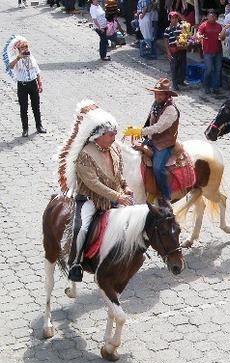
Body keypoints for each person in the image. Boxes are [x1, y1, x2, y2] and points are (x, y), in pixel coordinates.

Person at [58, 101, 133, 282]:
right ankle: (75, 263)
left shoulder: (114, 149)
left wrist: (125, 186)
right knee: (81, 229)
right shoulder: (85, 154)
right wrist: (118, 197)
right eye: (110, 135)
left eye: (114, 134)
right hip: (90, 199)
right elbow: (94, 184)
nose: (114, 138)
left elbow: (119, 172)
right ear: (98, 136)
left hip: (116, 196)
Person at [140, 78, 180, 201]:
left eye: (160, 94)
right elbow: (149, 121)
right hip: (152, 139)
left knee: (158, 168)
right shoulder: (156, 105)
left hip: (164, 144)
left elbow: (159, 127)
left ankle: (166, 197)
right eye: (156, 93)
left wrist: (140, 131)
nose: (157, 96)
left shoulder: (171, 110)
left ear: (167, 95)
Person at [4, 36, 46, 137]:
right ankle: (25, 129)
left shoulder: (31, 57)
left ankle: (39, 126)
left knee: (36, 106)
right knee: (23, 107)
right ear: (18, 49)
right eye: (22, 47)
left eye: (26, 46)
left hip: (33, 83)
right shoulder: (16, 58)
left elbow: (36, 70)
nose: (25, 49)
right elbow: (10, 66)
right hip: (22, 85)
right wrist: (19, 57)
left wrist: (39, 83)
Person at [198, 9, 223, 94]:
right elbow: (199, 33)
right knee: (209, 69)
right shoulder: (204, 25)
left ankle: (215, 87)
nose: (212, 17)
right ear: (207, 17)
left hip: (218, 51)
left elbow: (222, 37)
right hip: (207, 51)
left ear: (216, 18)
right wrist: (200, 36)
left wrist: (223, 36)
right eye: (210, 16)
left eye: (213, 16)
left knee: (218, 70)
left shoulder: (219, 26)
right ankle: (206, 86)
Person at [164, 11, 187, 91]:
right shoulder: (167, 29)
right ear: (170, 19)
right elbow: (166, 41)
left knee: (182, 67)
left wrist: (178, 13)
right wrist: (168, 52)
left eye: (176, 18)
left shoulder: (181, 27)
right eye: (172, 18)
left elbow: (185, 21)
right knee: (174, 68)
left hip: (182, 50)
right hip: (173, 51)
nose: (174, 20)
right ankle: (175, 84)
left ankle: (181, 81)